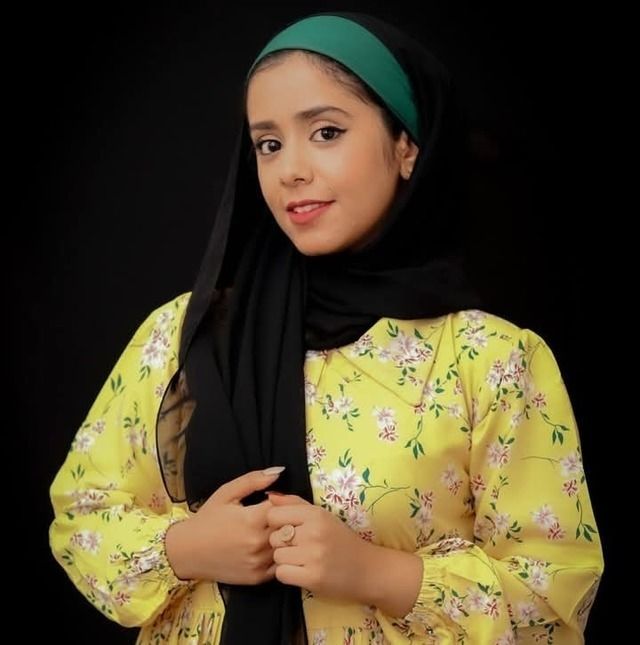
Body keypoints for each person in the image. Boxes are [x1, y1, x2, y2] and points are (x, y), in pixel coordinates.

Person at [49, 11, 603, 645]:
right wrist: (185, 548)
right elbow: (81, 517)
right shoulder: (187, 333)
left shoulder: (490, 358)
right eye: (269, 144)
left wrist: (375, 573)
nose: (291, 170)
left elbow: (554, 598)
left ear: (406, 146)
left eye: (327, 132)